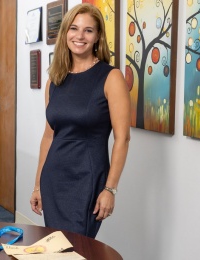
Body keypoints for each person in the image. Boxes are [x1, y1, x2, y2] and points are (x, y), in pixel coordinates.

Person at [29, 3, 130, 238]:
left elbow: (122, 138)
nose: (80, 36)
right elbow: (49, 136)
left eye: (88, 30)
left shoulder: (111, 77)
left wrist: (110, 189)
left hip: (87, 179)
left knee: (77, 247)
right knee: (55, 246)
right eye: (74, 29)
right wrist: (37, 185)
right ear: (65, 33)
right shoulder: (54, 80)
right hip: (53, 178)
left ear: (98, 37)